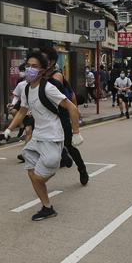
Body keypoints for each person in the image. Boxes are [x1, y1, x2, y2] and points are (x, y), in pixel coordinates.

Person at [0, 51, 83, 221]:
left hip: (52, 138)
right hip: (37, 138)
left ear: (43, 71)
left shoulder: (49, 88)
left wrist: (76, 133)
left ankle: (58, 162)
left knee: (38, 177)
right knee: (31, 171)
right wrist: (8, 131)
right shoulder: (27, 88)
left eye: (34, 66)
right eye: (28, 65)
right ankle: (47, 207)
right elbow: (22, 111)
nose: (29, 69)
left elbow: (72, 108)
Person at [39, 46, 89, 185]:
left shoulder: (56, 76)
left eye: (44, 59)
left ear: (52, 61)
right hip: (47, 117)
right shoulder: (41, 76)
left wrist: (75, 110)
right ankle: (64, 156)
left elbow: (68, 96)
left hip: (61, 116)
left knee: (69, 144)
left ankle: (82, 168)